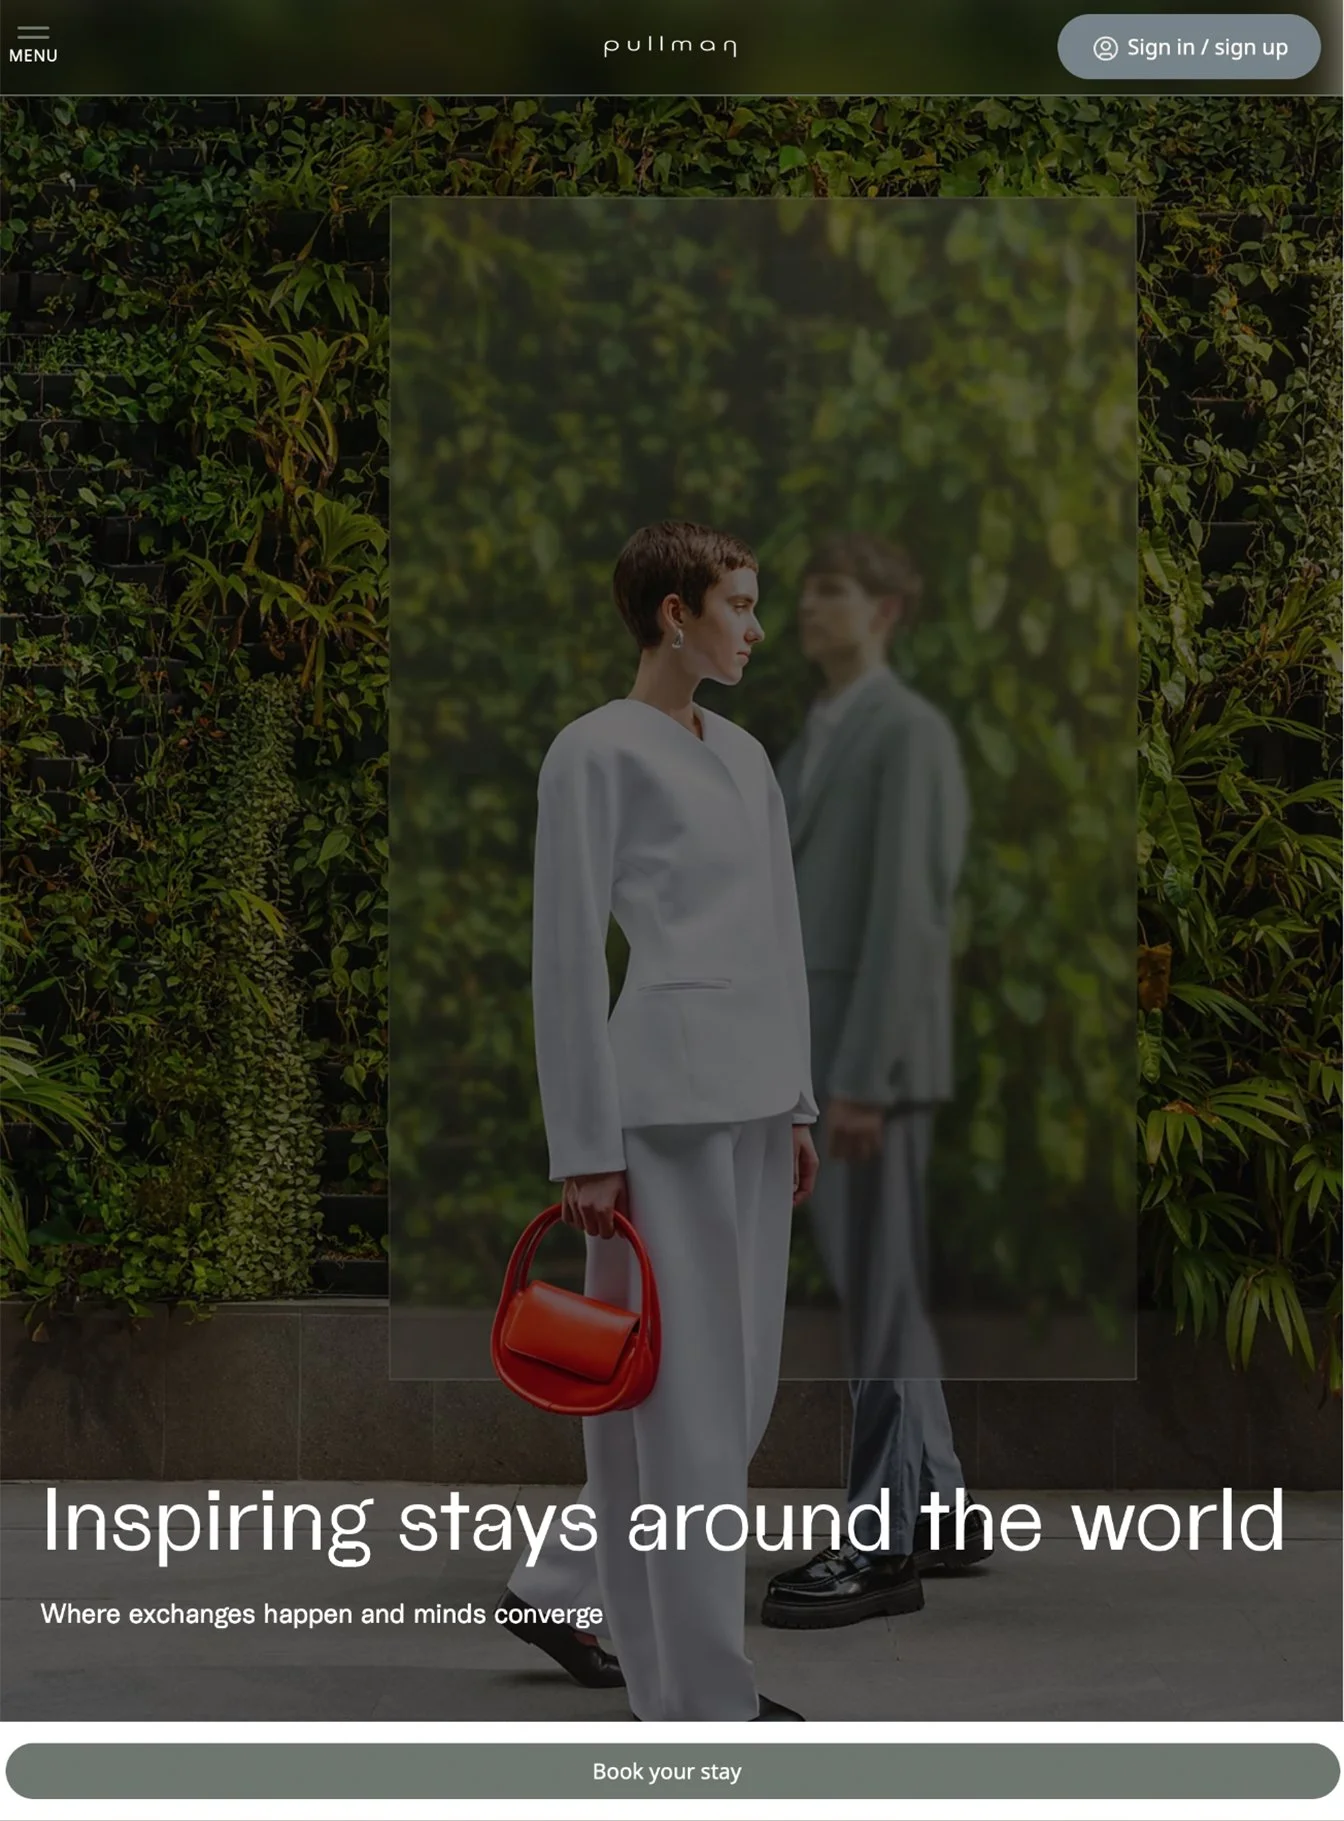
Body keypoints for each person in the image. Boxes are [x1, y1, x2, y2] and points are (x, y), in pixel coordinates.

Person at [502, 521, 820, 1719]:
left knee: (725, 1403)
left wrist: (796, 1101)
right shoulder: (592, 755)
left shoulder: (745, 756)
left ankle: (582, 1598)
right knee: (674, 1410)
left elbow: (779, 937)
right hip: (658, 1115)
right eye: (736, 603)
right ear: (672, 614)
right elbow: (566, 958)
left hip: (749, 1109)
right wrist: (583, 1144)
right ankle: (700, 1694)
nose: (753, 625)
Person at [759, 533, 992, 1632]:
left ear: (887, 610)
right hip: (827, 1056)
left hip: (869, 1067)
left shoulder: (907, 733)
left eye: (832, 593)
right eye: (803, 593)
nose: (810, 610)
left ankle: (879, 1546)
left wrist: (859, 1081)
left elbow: (909, 917)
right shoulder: (825, 732)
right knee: (882, 1288)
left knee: (880, 1306)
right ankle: (938, 1506)